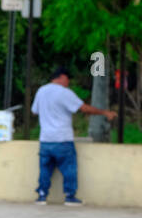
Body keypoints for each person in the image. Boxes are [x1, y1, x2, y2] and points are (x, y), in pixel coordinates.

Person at [31, 65, 116, 205]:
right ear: (62, 77)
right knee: (69, 168)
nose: (68, 82)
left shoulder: (41, 91)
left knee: (45, 169)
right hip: (62, 139)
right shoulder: (64, 93)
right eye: (68, 79)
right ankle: (70, 196)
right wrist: (104, 113)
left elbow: (34, 111)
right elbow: (82, 108)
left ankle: (41, 195)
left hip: (45, 139)